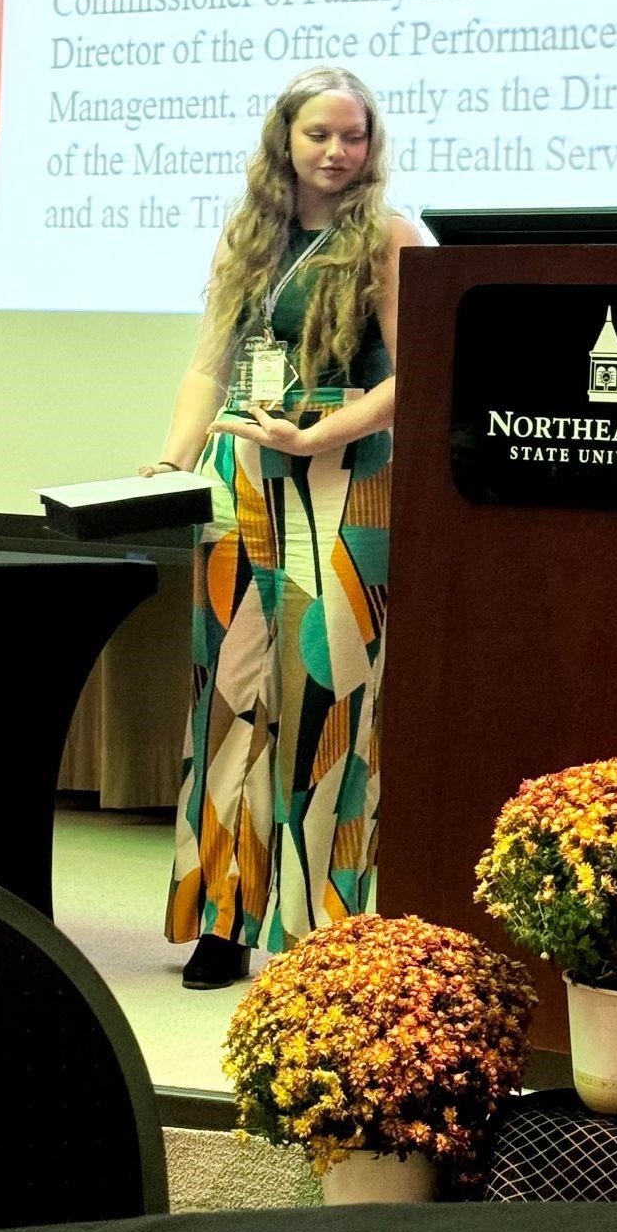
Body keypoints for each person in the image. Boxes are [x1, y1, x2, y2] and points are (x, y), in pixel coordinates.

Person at [146, 67, 421, 988]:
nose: (339, 152)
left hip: (348, 479)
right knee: (232, 699)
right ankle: (225, 919)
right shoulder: (252, 234)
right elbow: (208, 366)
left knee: (328, 700)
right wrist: (175, 459)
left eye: (355, 136)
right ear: (285, 142)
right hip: (243, 481)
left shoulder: (387, 238)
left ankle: (325, 932)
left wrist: (319, 432)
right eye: (320, 135)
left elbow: (418, 374)